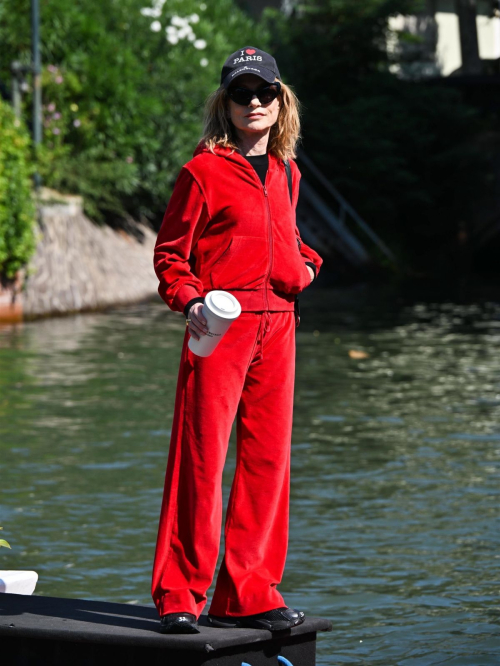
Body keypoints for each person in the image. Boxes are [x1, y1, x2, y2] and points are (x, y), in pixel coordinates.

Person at [151, 45, 323, 635]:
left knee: (267, 462)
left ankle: (248, 592)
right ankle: (181, 593)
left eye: (265, 93)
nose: (254, 102)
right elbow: (171, 256)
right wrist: (192, 300)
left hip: (280, 324)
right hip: (220, 326)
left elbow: (290, 241)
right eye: (242, 93)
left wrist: (304, 270)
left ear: (281, 103)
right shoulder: (201, 172)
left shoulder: (286, 172)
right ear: (223, 104)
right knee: (200, 460)